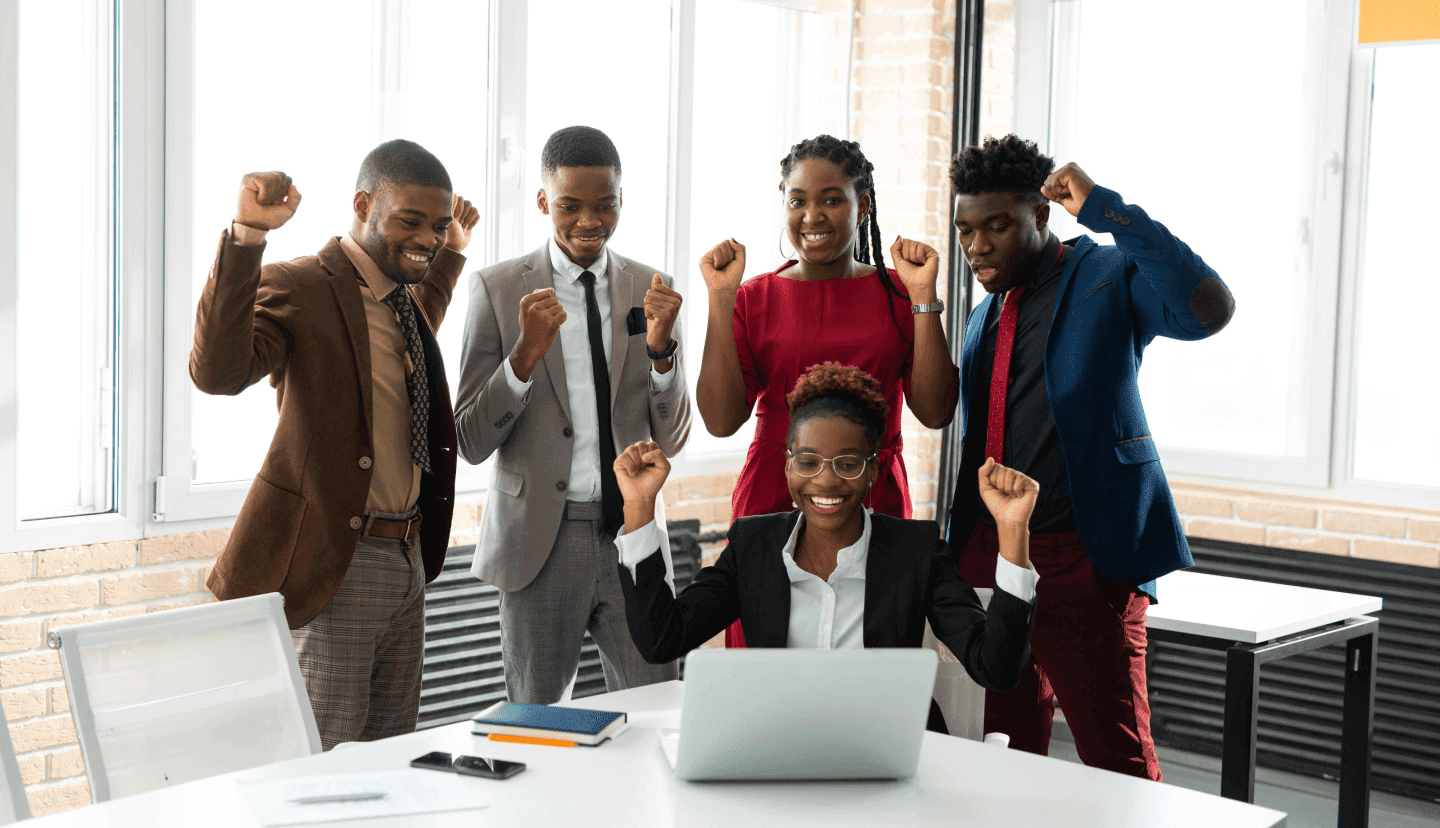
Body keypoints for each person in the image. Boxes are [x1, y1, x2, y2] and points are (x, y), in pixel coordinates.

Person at [943, 134, 1235, 780]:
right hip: (996, 561)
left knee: (1116, 759)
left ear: (1040, 215)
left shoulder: (1106, 274)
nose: (977, 246)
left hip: (1085, 559)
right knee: (1003, 750)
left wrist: (1108, 209)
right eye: (966, 230)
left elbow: (1207, 311)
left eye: (996, 226)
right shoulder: (984, 312)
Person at [191, 140, 480, 749]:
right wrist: (247, 236)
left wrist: (451, 252)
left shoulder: (401, 299)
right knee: (325, 761)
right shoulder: (301, 285)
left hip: (407, 559)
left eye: (437, 225)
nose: (426, 238)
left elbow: (406, 343)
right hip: (340, 561)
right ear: (363, 204)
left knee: (390, 756)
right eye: (410, 220)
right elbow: (218, 372)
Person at [613, 364, 1039, 714]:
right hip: (781, 748)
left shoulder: (916, 552)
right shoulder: (753, 546)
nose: (826, 481)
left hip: (888, 750)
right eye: (808, 462)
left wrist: (1013, 532)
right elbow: (661, 639)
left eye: (848, 463)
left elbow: (996, 669)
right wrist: (638, 506)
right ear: (788, 467)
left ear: (873, 471)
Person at [454, 125, 691, 704]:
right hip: (538, 540)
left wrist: (662, 351)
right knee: (536, 722)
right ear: (543, 202)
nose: (590, 221)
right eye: (570, 206)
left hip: (633, 532)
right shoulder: (496, 288)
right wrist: (523, 357)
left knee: (657, 705)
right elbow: (470, 439)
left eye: (605, 205)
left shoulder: (653, 288)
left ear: (621, 200)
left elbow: (675, 436)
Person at [696, 134, 960, 648]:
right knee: (766, 656)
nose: (812, 216)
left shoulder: (900, 294)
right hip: (774, 492)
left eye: (831, 199)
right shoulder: (754, 298)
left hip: (870, 490)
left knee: (869, 649)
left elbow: (935, 411)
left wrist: (924, 297)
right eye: (798, 201)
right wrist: (720, 300)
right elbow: (722, 420)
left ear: (863, 205)